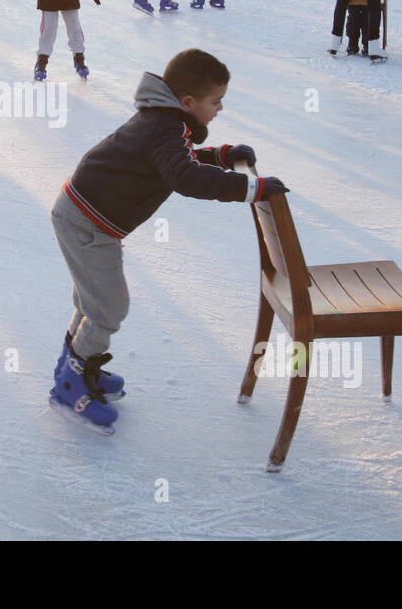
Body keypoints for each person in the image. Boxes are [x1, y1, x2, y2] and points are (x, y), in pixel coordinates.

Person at [47, 48, 288, 431]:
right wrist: (250, 187)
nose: (220, 109)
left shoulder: (164, 122)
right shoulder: (165, 127)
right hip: (87, 223)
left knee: (93, 301)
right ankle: (69, 382)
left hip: (83, 216)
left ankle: (77, 363)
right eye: (216, 102)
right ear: (188, 102)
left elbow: (181, 160)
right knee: (108, 307)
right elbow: (186, 177)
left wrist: (222, 156)